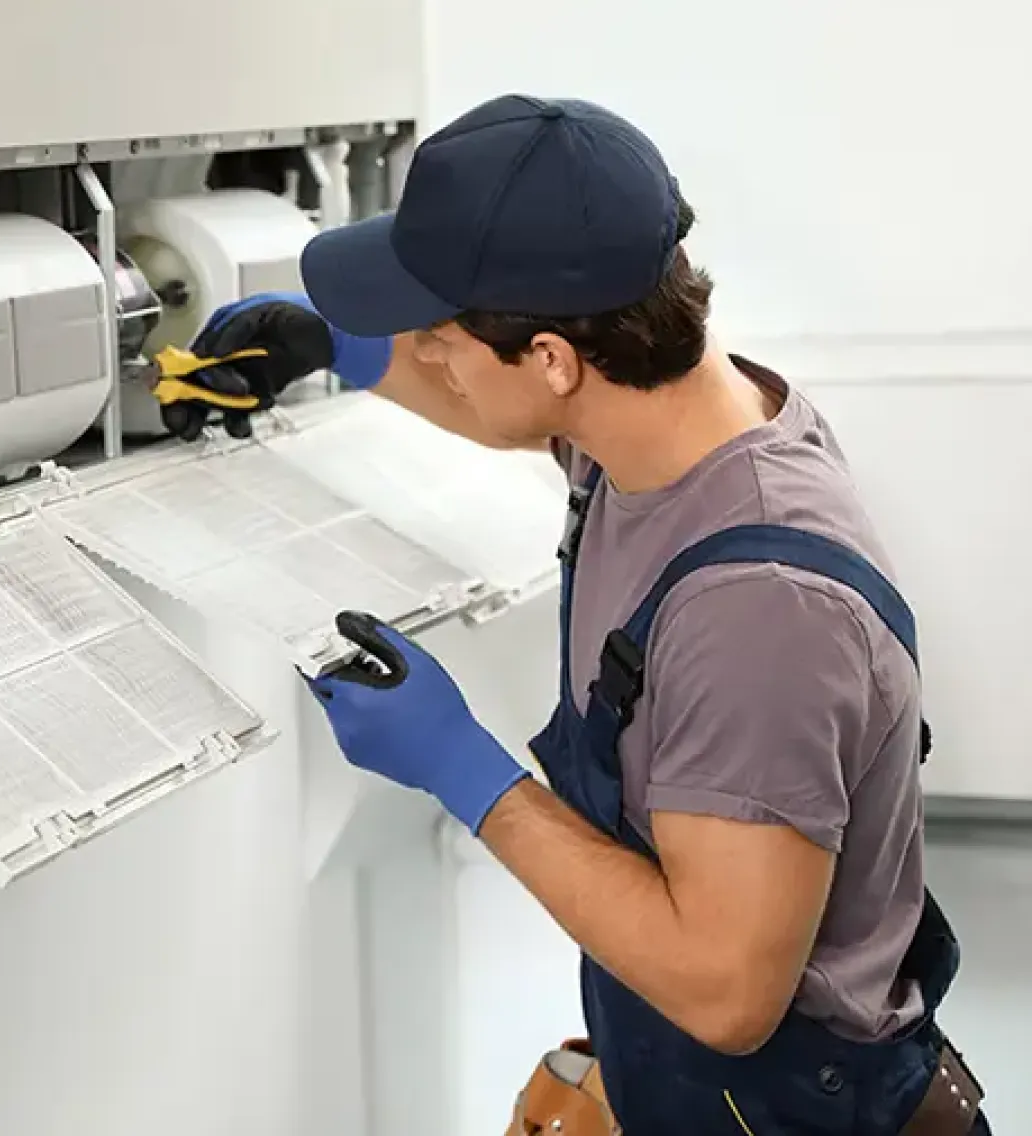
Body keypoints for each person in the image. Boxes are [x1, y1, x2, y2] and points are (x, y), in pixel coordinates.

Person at [166, 95, 989, 1135]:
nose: (427, 358)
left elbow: (726, 994)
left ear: (555, 357)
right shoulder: (679, 423)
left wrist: (461, 767)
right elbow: (518, 413)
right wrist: (331, 350)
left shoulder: (757, 615)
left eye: (433, 337)